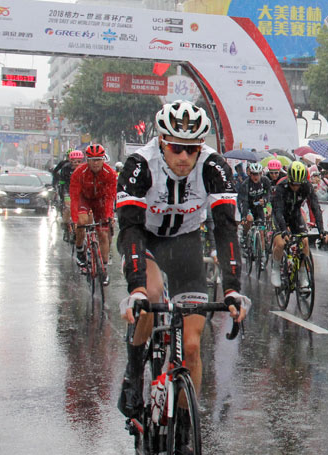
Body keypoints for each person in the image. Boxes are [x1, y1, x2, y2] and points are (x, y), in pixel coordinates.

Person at [116, 100, 250, 419]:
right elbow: (130, 229)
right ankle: (134, 375)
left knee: (191, 346)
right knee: (149, 296)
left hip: (186, 243)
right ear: (162, 140)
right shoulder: (139, 165)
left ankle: (187, 430)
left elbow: (226, 229)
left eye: (192, 149)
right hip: (146, 240)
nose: (184, 157)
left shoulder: (213, 167)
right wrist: (135, 288)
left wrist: (232, 288)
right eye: (176, 148)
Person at [270, 160, 328, 287]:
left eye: (298, 184)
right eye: (293, 184)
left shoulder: (307, 186)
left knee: (305, 242)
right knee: (280, 243)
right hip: (279, 215)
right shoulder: (281, 186)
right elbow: (278, 210)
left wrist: (322, 230)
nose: (295, 187)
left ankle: (303, 275)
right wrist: (284, 230)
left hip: (295, 214)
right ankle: (275, 269)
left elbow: (315, 207)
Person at [70, 144, 117, 284]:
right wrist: (74, 219)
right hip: (84, 198)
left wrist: (109, 216)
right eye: (92, 160)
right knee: (82, 222)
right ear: (87, 160)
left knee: (103, 233)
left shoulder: (110, 174)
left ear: (103, 159)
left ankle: (104, 268)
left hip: (101, 200)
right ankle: (80, 250)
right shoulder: (79, 172)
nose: (95, 163)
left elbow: (110, 197)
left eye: (98, 159)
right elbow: (74, 197)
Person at [239, 161, 270, 252]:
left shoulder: (265, 181)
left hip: (259, 207)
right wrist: (244, 216)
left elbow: (268, 194)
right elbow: (243, 201)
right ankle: (245, 236)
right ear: (250, 174)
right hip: (248, 206)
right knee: (249, 220)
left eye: (258, 174)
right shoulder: (245, 184)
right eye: (253, 174)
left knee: (261, 231)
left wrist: (264, 199)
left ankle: (262, 256)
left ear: (261, 174)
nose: (255, 177)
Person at [52, 149, 84, 221]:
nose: (77, 163)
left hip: (81, 191)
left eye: (79, 161)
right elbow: (63, 183)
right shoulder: (65, 168)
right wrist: (63, 195)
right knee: (68, 207)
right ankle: (66, 224)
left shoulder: (85, 168)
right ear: (70, 160)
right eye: (74, 161)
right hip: (68, 189)